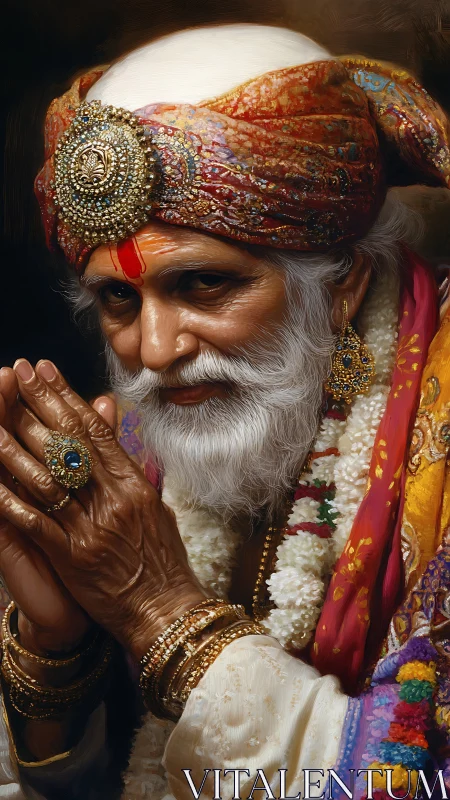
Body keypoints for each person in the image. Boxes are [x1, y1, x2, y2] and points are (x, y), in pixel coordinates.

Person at [0, 22, 449, 800]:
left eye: (202, 284)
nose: (155, 348)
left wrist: (159, 609)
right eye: (117, 298)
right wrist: (56, 658)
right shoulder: (138, 441)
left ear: (341, 283)